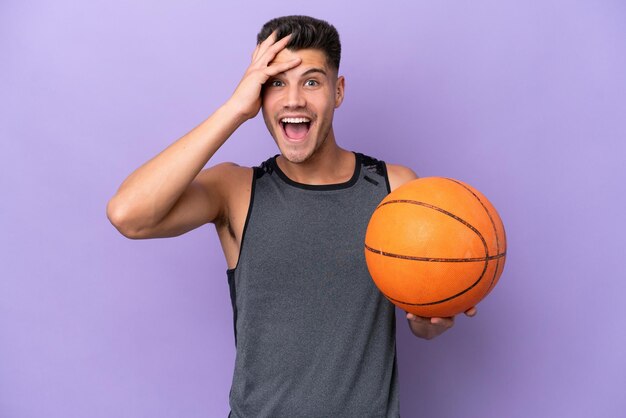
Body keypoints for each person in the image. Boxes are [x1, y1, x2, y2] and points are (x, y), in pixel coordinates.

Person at [107, 15, 475, 417]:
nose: (294, 99)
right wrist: (234, 108)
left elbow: (421, 319)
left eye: (312, 82)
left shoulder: (396, 190)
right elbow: (129, 214)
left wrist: (431, 317)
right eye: (276, 83)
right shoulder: (236, 191)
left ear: (338, 91)